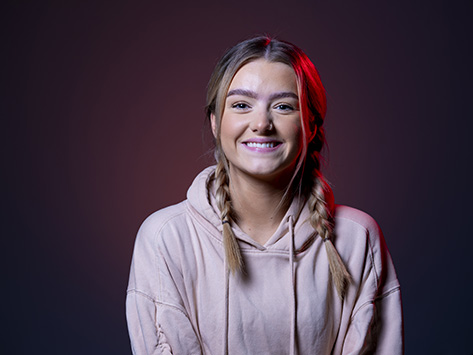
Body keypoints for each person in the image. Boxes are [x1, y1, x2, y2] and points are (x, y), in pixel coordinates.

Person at [126, 36, 403, 354]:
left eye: (284, 106)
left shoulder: (357, 238)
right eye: (241, 105)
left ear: (310, 125)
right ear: (216, 123)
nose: (261, 123)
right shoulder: (165, 237)